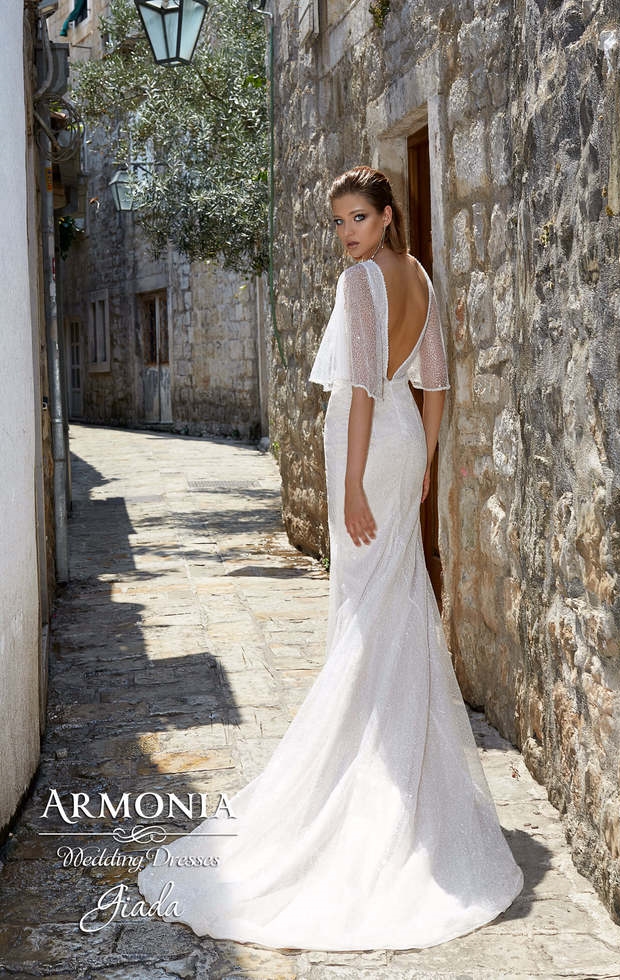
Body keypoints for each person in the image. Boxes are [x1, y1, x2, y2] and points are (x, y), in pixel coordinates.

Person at [136, 165, 524, 951]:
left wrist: (348, 486)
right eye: (338, 221)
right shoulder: (417, 275)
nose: (346, 233)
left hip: (367, 451)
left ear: (387, 216)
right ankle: (402, 777)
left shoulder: (361, 283)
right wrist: (424, 464)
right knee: (395, 603)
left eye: (358, 218)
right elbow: (434, 384)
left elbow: (364, 390)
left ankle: (364, 778)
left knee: (365, 614)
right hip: (402, 451)